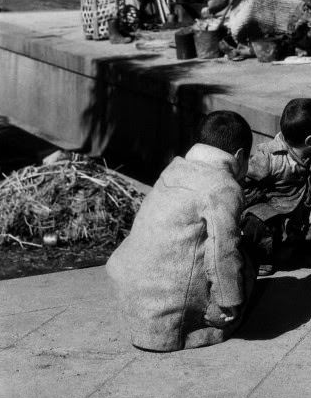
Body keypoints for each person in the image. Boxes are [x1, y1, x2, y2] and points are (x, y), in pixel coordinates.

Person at [106, 111, 256, 352]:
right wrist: (228, 302)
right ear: (239, 155)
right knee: (245, 261)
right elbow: (223, 252)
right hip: (166, 321)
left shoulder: (173, 169)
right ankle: (206, 320)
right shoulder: (224, 187)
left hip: (129, 302)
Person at [240, 98, 311, 276]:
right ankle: (263, 256)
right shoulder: (268, 158)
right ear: (310, 141)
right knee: (255, 220)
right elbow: (243, 186)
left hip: (306, 220)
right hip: (275, 220)